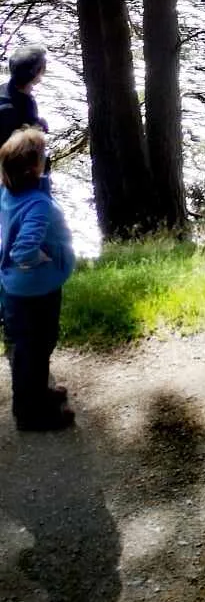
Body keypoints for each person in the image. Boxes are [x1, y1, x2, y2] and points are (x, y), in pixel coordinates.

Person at [0, 126, 75, 431]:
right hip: (35, 290)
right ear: (33, 167)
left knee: (29, 347)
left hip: (16, 288)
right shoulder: (37, 204)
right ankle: (31, 415)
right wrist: (39, 259)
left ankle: (38, 393)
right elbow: (24, 250)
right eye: (43, 156)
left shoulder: (10, 192)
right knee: (36, 346)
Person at [0, 38, 50, 150]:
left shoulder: (15, 90)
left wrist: (37, 124)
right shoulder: (8, 112)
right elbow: (11, 155)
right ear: (36, 73)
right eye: (43, 67)